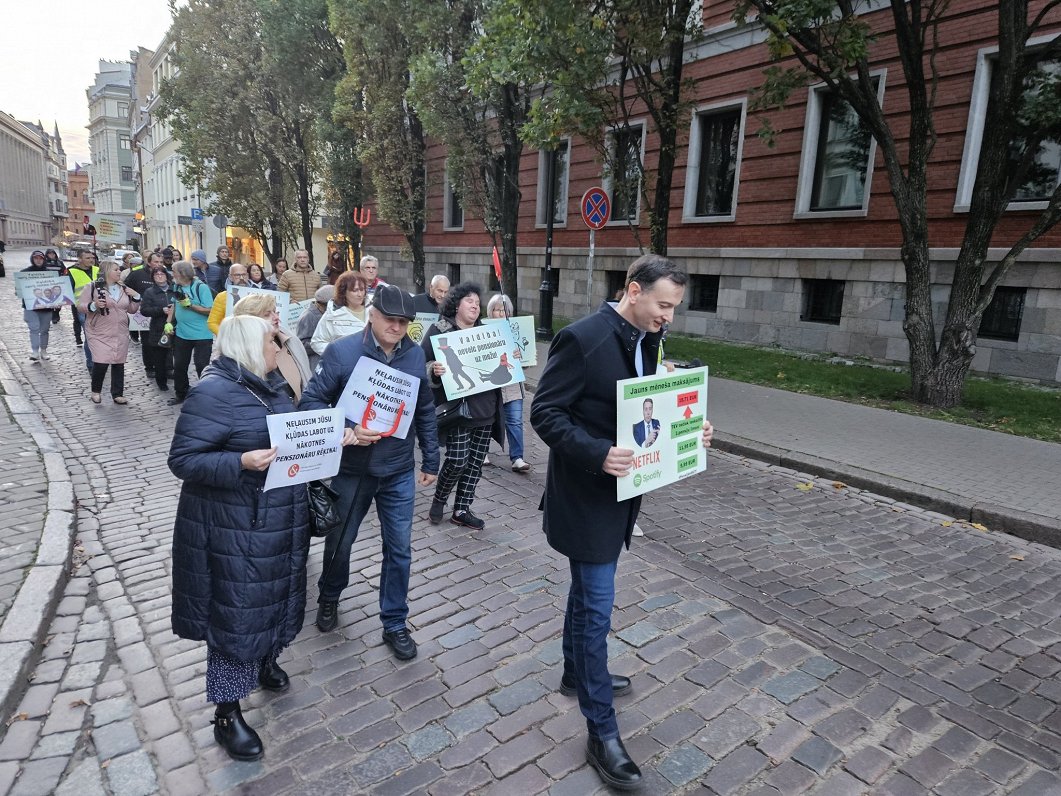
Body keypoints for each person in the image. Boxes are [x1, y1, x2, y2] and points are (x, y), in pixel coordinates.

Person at [530, 254, 715, 791]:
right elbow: (545, 412)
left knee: (586, 596)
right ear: (633, 291)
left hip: (622, 495)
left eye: (675, 308)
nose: (669, 318)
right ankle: (600, 730)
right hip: (587, 497)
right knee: (596, 608)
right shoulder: (581, 338)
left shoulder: (648, 338)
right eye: (663, 305)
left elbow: (648, 404)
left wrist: (690, 429)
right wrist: (596, 453)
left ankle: (574, 672)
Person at [167, 315, 323, 762]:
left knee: (271, 599)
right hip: (234, 527)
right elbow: (183, 460)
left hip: (275, 521)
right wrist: (240, 462)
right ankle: (227, 712)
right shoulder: (213, 393)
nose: (279, 347)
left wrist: (339, 438)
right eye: (272, 340)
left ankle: (265, 658)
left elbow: (292, 441)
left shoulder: (267, 386)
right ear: (251, 347)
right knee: (236, 616)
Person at [299, 285, 439, 660]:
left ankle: (394, 620)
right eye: (390, 319)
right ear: (372, 314)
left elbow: (424, 407)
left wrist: (430, 457)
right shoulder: (343, 351)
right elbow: (311, 401)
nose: (397, 327)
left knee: (399, 549)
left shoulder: (412, 356)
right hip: (352, 468)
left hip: (396, 469)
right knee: (340, 541)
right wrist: (347, 428)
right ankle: (329, 596)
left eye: (404, 322)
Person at [421, 283, 501, 530]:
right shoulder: (439, 330)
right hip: (457, 409)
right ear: (456, 304)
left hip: (485, 408)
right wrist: (434, 370)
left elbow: (504, 367)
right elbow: (421, 364)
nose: (475, 305)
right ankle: (439, 499)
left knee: (475, 463)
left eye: (477, 301)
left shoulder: (489, 332)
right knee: (457, 460)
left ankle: (462, 509)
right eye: (469, 300)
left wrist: (517, 361)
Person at [78, 260, 142, 404]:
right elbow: (80, 306)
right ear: (107, 272)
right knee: (101, 361)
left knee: (118, 361)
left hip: (120, 330)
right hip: (99, 331)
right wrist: (93, 305)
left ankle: (117, 393)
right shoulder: (93, 287)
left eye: (119, 269)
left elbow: (131, 309)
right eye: (116, 270)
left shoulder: (123, 288)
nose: (119, 272)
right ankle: (96, 391)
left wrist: (136, 297)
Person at [233, 292, 312, 402]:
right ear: (248, 321)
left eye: (275, 312)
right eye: (267, 315)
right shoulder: (236, 351)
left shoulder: (291, 340)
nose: (276, 318)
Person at [486, 293, 532, 473]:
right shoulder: (482, 330)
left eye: (503, 310)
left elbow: (526, 361)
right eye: (496, 310)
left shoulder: (517, 330)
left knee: (514, 420)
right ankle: (482, 452)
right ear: (490, 312)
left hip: (512, 386)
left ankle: (517, 457)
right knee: (487, 419)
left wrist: (524, 357)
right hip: (491, 386)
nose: (500, 313)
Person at [169, 260, 215, 406]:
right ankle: (181, 393)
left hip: (202, 335)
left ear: (182, 273)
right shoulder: (176, 286)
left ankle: (206, 395)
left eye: (174, 271)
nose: (172, 274)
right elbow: (174, 306)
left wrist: (191, 306)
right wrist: (169, 322)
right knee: (180, 366)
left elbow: (210, 310)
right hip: (182, 333)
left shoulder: (201, 287)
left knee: (202, 365)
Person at [310, 270, 368, 356]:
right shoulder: (333, 314)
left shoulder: (374, 309)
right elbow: (317, 342)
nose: (360, 294)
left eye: (362, 289)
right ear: (344, 292)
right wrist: (339, 353)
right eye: (355, 290)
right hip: (346, 366)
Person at [139, 267, 176, 392]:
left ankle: (179, 379)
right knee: (159, 358)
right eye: (156, 274)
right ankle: (161, 382)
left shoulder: (175, 289)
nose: (159, 276)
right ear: (153, 278)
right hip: (158, 329)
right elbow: (144, 310)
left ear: (167, 276)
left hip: (176, 328)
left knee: (179, 357)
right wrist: (161, 310)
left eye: (162, 274)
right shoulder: (150, 292)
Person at [21, 251, 57, 361]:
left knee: (45, 329)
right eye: (36, 258)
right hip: (31, 306)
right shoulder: (24, 273)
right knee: (34, 328)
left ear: (43, 259)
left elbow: (55, 288)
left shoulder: (50, 273)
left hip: (46, 307)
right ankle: (35, 351)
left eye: (40, 258)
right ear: (32, 259)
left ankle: (44, 350)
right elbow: (19, 289)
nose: (38, 260)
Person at [206, 264, 252, 335]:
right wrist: (225, 336)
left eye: (244, 275)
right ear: (230, 277)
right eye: (237, 275)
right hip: (230, 340)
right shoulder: (222, 297)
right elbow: (212, 322)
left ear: (248, 276)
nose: (241, 278)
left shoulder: (255, 295)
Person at [297, 285, 332, 371]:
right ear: (320, 304)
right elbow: (302, 345)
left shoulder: (326, 314)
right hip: (315, 364)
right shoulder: (308, 316)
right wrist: (325, 343)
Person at [69, 250, 98, 351]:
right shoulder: (71, 271)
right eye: (88, 258)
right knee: (89, 336)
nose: (91, 260)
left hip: (99, 306)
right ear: (80, 259)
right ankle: (91, 364)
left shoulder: (98, 270)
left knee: (99, 335)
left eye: (92, 258)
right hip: (82, 307)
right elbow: (67, 290)